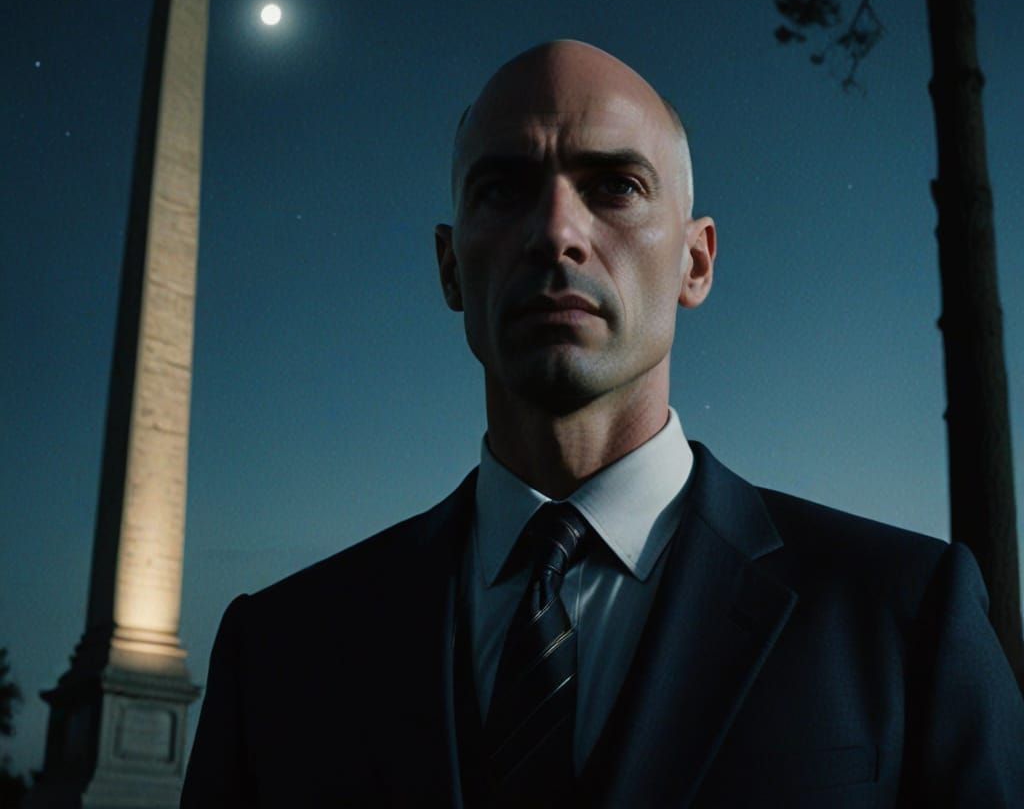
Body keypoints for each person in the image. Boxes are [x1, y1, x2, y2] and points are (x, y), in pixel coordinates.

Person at [181, 40, 1024, 807]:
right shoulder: (279, 654)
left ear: (696, 260)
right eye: (502, 190)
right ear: (449, 267)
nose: (555, 233)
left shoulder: (904, 616)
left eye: (615, 186)